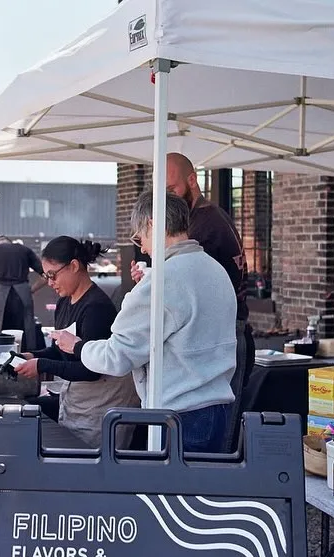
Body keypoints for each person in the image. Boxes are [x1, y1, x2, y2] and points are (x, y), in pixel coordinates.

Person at [53, 192, 238, 453]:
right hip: (218, 411)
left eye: (139, 237)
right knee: (202, 493)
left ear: (152, 224)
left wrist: (77, 347)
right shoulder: (214, 269)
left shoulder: (163, 282)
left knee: (171, 494)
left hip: (178, 417)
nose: (142, 248)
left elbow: (116, 358)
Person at [131, 152, 255, 453]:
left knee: (208, 451)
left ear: (192, 180)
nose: (165, 201)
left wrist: (154, 281)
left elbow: (192, 283)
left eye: (171, 190)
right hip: (217, 333)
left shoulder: (204, 224)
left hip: (221, 335)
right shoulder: (203, 218)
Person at [14, 236, 139, 448]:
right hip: (76, 401)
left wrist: (42, 366)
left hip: (100, 406)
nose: (50, 283)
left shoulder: (96, 308)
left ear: (73, 266)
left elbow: (91, 370)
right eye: (46, 277)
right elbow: (60, 351)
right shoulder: (64, 301)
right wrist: (33, 356)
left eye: (53, 275)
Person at [0, 236, 44, 352]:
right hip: (22, 292)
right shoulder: (24, 250)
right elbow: (45, 274)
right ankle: (28, 355)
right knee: (27, 329)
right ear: (11, 242)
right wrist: (32, 289)